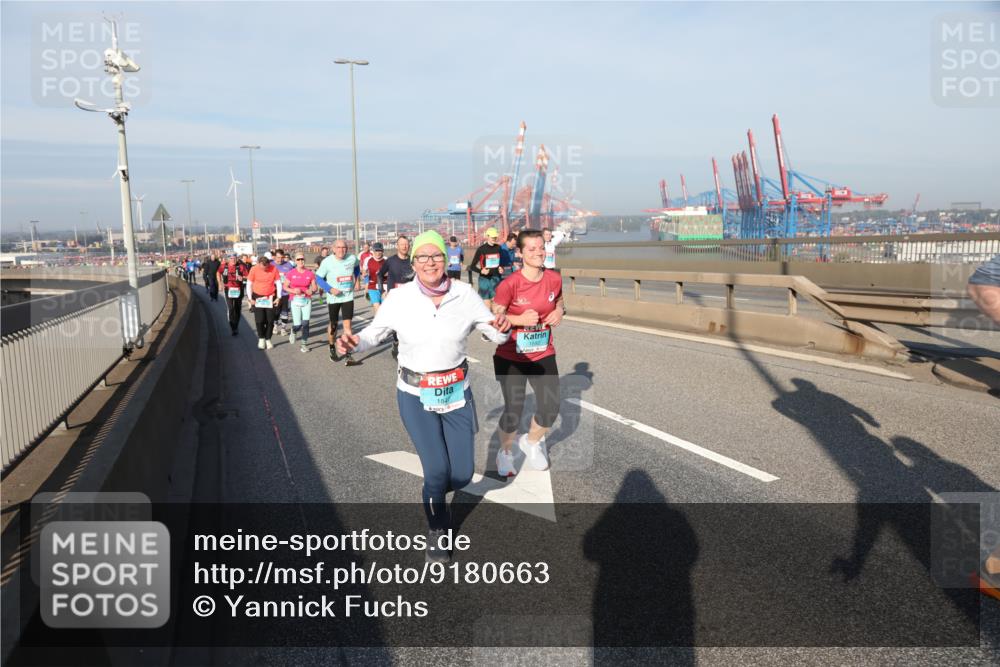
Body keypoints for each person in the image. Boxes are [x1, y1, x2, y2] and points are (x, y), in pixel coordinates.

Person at [336, 230, 510, 562]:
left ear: (446, 259)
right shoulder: (400, 298)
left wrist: (501, 329)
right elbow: (375, 334)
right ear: (413, 262)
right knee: (435, 471)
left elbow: (494, 333)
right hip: (415, 395)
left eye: (436, 256)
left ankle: (435, 493)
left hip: (457, 393)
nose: (430, 262)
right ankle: (438, 529)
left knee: (460, 474)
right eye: (422, 257)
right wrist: (355, 342)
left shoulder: (464, 294)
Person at [491, 229, 565, 477]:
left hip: (543, 352)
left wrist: (560, 312)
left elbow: (560, 302)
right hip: (511, 355)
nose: (538, 253)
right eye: (531, 249)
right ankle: (505, 452)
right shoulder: (509, 284)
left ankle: (531, 442)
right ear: (520, 253)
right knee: (514, 408)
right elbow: (494, 317)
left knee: (551, 407)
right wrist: (518, 318)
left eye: (541, 247)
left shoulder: (554, 278)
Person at [316, 239, 361, 365]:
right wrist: (330, 289)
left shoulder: (352, 258)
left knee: (348, 326)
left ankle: (348, 354)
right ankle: (332, 347)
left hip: (347, 297)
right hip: (333, 298)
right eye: (339, 247)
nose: (342, 250)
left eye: (344, 247)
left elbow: (357, 267)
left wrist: (356, 279)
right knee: (334, 325)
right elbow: (318, 278)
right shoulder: (327, 262)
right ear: (333, 249)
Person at [377, 236, 415, 358]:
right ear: (397, 246)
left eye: (407, 244)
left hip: (409, 298)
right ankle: (396, 342)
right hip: (394, 297)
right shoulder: (391, 261)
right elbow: (380, 274)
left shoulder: (413, 261)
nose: (405, 246)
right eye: (402, 244)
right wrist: (382, 290)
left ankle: (406, 346)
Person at [282, 253, 319, 353]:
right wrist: (294, 291)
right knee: (298, 325)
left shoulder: (310, 273)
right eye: (298, 259)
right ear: (295, 261)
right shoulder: (291, 273)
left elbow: (314, 287)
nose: (300, 261)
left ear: (304, 260)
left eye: (302, 259)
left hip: (306, 300)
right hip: (295, 301)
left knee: (306, 323)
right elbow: (285, 287)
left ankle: (304, 344)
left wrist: (312, 290)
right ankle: (293, 331)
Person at [469, 227, 505, 312]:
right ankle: (488, 323)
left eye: (495, 237)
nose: (494, 238)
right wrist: (480, 271)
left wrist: (501, 268)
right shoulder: (481, 249)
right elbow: (472, 266)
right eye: (492, 237)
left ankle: (497, 323)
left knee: (497, 305)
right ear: (487, 236)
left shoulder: (499, 248)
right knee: (487, 306)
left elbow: (501, 262)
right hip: (484, 279)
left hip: (496, 278)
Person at [247, 254, 279, 349]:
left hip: (270, 297)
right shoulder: (254, 269)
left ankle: (268, 339)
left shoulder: (273, 268)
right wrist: (250, 298)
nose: (265, 269)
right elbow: (249, 284)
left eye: (266, 267)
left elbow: (278, 283)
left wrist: (279, 297)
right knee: (260, 320)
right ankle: (261, 338)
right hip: (258, 297)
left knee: (270, 320)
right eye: (262, 267)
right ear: (259, 264)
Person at [219, 254, 249, 335]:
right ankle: (233, 327)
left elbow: (248, 276)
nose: (233, 260)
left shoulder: (241, 266)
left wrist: (242, 278)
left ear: (237, 258)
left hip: (239, 289)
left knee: (237, 309)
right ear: (228, 259)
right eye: (231, 258)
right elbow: (218, 272)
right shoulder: (224, 266)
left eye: (234, 258)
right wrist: (220, 283)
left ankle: (236, 325)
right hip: (228, 289)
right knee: (231, 308)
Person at [272, 249, 295, 335]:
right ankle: (274, 326)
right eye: (278, 257)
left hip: (285, 292)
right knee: (276, 311)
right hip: (274, 292)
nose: (280, 260)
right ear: (274, 257)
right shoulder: (271, 265)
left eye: (282, 257)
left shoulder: (288, 265)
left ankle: (283, 328)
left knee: (285, 311)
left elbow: (293, 277)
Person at [364, 242, 387, 316]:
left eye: (380, 250)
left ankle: (384, 324)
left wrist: (386, 274)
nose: (378, 253)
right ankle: (379, 325)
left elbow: (391, 274)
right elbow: (364, 272)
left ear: (383, 251)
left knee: (384, 308)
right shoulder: (368, 260)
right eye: (376, 251)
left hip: (384, 287)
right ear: (373, 251)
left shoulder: (386, 260)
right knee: (377, 307)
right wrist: (366, 285)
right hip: (372, 287)